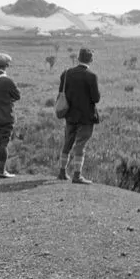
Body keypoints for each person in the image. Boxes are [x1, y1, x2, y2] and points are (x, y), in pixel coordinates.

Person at [57, 47, 100, 184]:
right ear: (91, 59)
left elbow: (61, 93)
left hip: (70, 115)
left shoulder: (66, 73)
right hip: (86, 117)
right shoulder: (91, 76)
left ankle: (62, 172)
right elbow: (96, 98)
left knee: (67, 143)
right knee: (80, 145)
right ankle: (77, 175)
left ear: (78, 58)